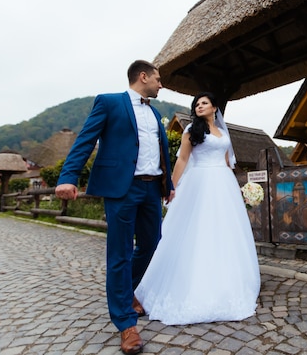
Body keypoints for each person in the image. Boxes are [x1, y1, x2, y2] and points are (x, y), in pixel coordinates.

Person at [55, 60, 175, 355]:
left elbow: (161, 151)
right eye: (158, 79)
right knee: (119, 253)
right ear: (143, 76)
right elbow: (85, 140)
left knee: (151, 244)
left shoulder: (155, 113)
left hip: (151, 188)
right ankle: (125, 323)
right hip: (122, 189)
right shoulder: (109, 103)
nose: (161, 84)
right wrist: (68, 177)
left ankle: (126, 291)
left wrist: (168, 184)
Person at [134, 92, 260, 326]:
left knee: (225, 232)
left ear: (214, 107)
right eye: (197, 104)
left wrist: (238, 189)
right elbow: (182, 160)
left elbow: (226, 161)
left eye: (204, 103)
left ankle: (227, 282)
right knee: (198, 230)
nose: (200, 106)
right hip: (200, 181)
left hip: (223, 184)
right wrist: (170, 186)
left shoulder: (223, 133)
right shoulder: (192, 130)